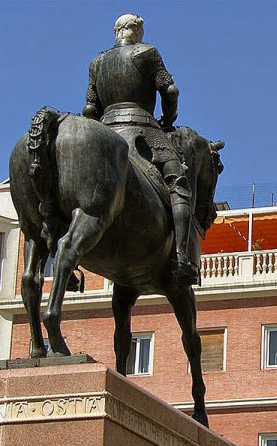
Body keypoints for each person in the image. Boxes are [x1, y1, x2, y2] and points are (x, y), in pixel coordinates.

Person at [83, 13, 196, 283]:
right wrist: (168, 120)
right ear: (137, 31)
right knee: (178, 183)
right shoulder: (147, 53)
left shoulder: (97, 62)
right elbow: (170, 90)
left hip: (105, 132)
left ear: (117, 32)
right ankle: (181, 256)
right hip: (143, 130)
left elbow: (89, 108)